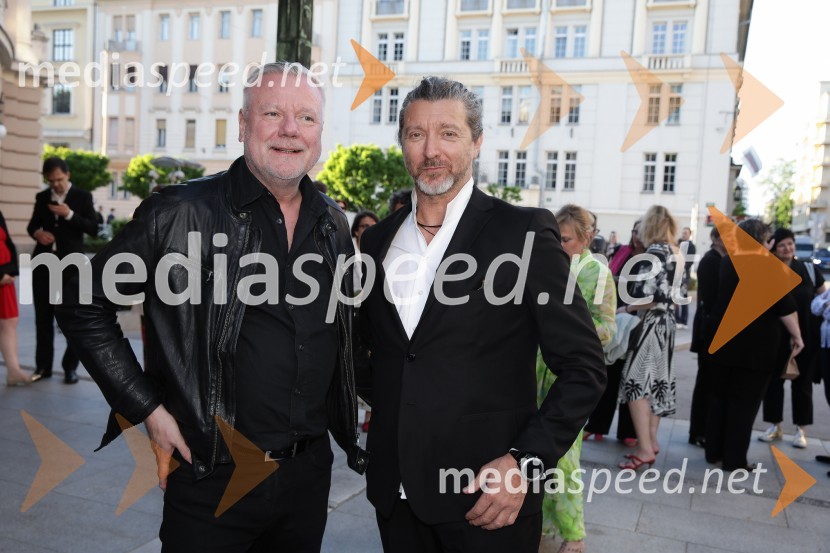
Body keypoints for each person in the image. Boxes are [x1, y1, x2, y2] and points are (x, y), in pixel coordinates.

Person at [55, 62, 367, 552]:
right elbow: (79, 298)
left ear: (320, 133)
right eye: (273, 113)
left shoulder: (333, 224)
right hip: (212, 476)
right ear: (243, 125)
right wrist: (150, 410)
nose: (290, 130)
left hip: (308, 478)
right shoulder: (180, 214)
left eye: (306, 118)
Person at [356, 76, 606, 553]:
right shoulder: (376, 241)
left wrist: (525, 462)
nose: (431, 149)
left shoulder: (524, 232)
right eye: (416, 134)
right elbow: (376, 355)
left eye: (448, 133)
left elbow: (584, 368)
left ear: (476, 143)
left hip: (488, 503)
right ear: (403, 145)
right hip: (396, 498)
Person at [536, 204, 616, 553]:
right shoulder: (545, 267)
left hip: (569, 375)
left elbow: (607, 327)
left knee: (564, 457)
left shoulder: (597, 272)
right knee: (532, 451)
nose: (560, 244)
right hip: (532, 371)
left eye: (565, 239)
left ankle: (574, 534)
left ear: (585, 238)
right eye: (556, 237)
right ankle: (539, 523)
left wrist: (569, 335)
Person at [705, 219, 802, 472]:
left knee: (720, 398)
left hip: (723, 342)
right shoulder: (766, 265)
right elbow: (786, 308)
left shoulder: (728, 261)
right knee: (744, 404)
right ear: (762, 239)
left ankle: (713, 451)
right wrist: (798, 337)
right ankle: (734, 460)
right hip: (754, 349)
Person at [617, 205, 685, 470]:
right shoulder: (676, 253)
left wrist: (626, 308)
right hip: (666, 323)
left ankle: (645, 448)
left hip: (650, 325)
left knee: (635, 384)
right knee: (656, 383)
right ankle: (652, 441)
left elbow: (648, 296)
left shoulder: (653, 254)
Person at [27, 157, 98, 384]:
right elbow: (32, 225)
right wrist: (37, 233)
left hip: (72, 267)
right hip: (44, 266)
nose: (55, 184)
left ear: (67, 175)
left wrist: (69, 214)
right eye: (51, 181)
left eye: (59, 179)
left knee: (72, 317)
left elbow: (93, 228)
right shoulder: (41, 197)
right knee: (43, 318)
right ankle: (43, 367)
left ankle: (70, 368)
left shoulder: (82, 197)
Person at [759, 228, 826, 448]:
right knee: (773, 383)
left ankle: (801, 429)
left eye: (790, 244)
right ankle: (774, 426)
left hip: (806, 335)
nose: (787, 248)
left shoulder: (808, 268)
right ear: (775, 249)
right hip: (775, 336)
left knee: (803, 383)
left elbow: (822, 297)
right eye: (782, 245)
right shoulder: (768, 270)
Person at [584, 221, 642, 445]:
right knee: (609, 374)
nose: (637, 235)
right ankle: (597, 425)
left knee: (631, 378)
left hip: (637, 322)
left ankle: (629, 431)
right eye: (634, 231)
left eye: (640, 231)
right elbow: (610, 277)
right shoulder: (622, 252)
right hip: (616, 315)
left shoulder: (651, 258)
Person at [688, 226, 726, 447]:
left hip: (714, 328)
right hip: (708, 329)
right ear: (714, 238)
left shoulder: (724, 258)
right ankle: (698, 431)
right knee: (705, 382)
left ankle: (704, 430)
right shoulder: (711, 261)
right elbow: (712, 299)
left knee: (712, 383)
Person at [351, 210, 379, 433]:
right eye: (364, 226)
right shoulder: (347, 256)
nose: (368, 231)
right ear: (356, 230)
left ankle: (371, 414)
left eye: (373, 226)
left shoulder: (382, 256)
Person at [0, 211, 29, 386]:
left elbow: (8, 242)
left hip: (5, 276)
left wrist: (11, 270)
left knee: (9, 321)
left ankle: (13, 370)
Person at [674, 227, 696, 329]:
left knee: (683, 297)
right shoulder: (678, 243)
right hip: (676, 274)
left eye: (685, 233)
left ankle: (684, 321)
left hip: (684, 275)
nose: (683, 235)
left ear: (689, 234)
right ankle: (676, 319)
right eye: (682, 233)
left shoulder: (691, 246)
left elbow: (689, 261)